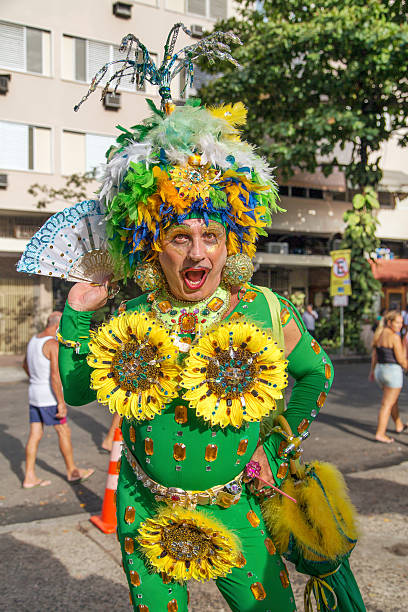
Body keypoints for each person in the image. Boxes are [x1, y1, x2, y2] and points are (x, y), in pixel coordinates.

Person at [54, 93, 364, 610]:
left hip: (235, 504)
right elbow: (82, 390)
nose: (197, 252)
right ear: (156, 246)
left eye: (211, 235)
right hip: (143, 505)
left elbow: (318, 372)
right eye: (180, 236)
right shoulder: (131, 314)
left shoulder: (266, 309)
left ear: (230, 244)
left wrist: (281, 445)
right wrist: (79, 312)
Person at [22, 311, 95, 488]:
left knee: (35, 434)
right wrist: (61, 402)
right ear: (57, 326)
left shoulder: (34, 340)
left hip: (34, 394)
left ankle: (29, 476)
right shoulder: (52, 344)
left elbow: (25, 364)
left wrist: (35, 380)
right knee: (64, 431)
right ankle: (72, 471)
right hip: (48, 398)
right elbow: (55, 376)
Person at [369, 310, 408, 443]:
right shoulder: (394, 336)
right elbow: (402, 360)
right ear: (390, 322)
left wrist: (372, 371)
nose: (400, 325)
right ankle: (380, 433)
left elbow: (374, 355)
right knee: (387, 404)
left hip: (380, 371)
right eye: (397, 322)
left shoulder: (379, 333)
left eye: (402, 322)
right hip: (392, 373)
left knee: (392, 400)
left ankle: (399, 425)